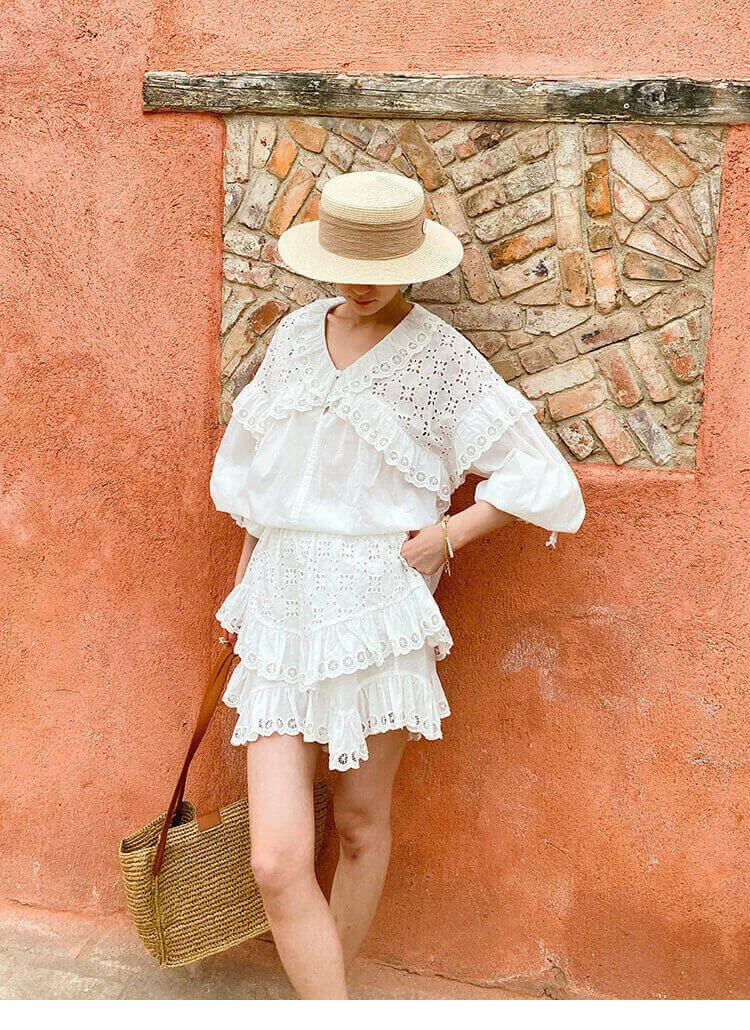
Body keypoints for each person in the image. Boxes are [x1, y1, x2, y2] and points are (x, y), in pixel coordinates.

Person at [209, 170, 585, 999]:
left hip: (376, 609)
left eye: (380, 266)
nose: (362, 282)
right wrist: (241, 592)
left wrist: (449, 534)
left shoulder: (438, 357)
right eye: (348, 264)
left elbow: (542, 476)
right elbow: (259, 478)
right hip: (280, 602)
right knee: (275, 859)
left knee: (357, 824)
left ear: (413, 262)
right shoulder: (295, 336)